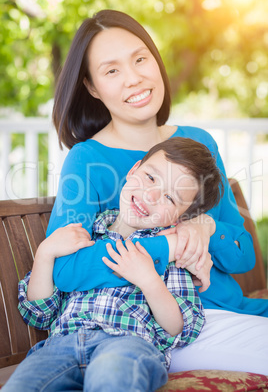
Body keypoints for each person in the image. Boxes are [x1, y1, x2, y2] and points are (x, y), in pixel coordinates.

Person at [41, 9, 268, 374]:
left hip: (231, 312)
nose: (134, 78)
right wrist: (171, 244)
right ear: (92, 87)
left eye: (140, 59)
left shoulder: (198, 142)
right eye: (112, 70)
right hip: (169, 329)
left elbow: (243, 258)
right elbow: (65, 268)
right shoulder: (87, 160)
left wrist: (206, 228)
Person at [3, 137, 223, 391]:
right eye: (151, 177)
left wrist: (149, 281)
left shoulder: (171, 253)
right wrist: (44, 254)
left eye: (170, 198)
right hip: (61, 345)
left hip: (128, 345)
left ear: (180, 218)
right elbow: (39, 313)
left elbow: (179, 329)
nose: (150, 196)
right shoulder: (84, 235)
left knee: (113, 378)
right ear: (133, 171)